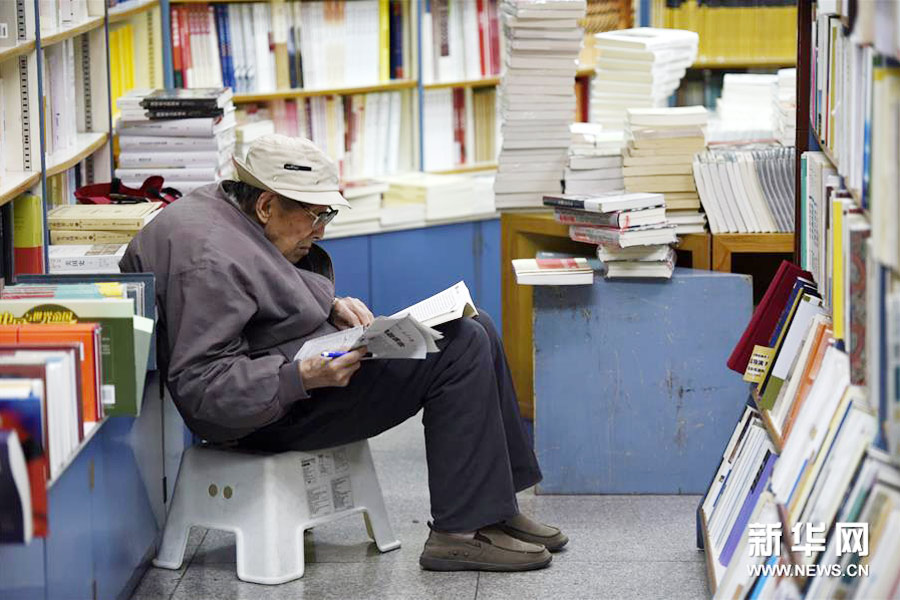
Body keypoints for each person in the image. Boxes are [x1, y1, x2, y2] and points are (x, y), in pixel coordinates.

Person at [120, 134, 568, 572]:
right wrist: (303, 377)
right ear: (265, 205)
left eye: (326, 215)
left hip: (290, 372)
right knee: (461, 345)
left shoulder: (228, 207)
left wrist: (330, 307)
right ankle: (458, 535)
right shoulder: (211, 261)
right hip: (262, 413)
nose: (320, 232)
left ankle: (494, 506)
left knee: (478, 325)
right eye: (314, 217)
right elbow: (204, 390)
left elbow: (260, 291)